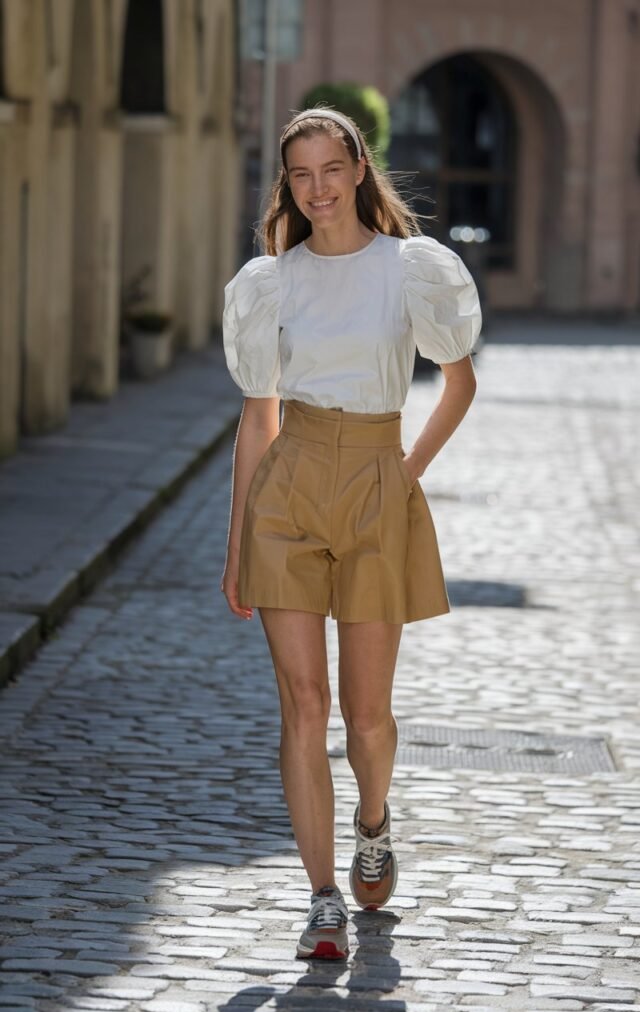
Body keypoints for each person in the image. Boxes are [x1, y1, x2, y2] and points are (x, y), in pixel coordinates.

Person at [220, 106, 481, 961]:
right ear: (287, 184)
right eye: (301, 174)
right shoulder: (271, 281)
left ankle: (375, 820)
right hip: (289, 487)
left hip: (376, 474)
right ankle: (323, 898)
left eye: (333, 169)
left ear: (360, 169)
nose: (319, 188)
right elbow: (256, 419)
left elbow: (457, 383)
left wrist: (401, 476)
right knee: (304, 706)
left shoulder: (409, 270)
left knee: (368, 716)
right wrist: (236, 546)